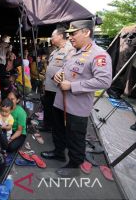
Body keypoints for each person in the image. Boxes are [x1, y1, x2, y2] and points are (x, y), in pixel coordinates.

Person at [42, 20, 112, 177]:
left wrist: (73, 86)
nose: (70, 37)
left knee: (75, 138)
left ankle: (74, 166)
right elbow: (66, 68)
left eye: (73, 33)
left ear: (86, 32)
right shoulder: (73, 51)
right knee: (58, 130)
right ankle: (58, 152)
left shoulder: (99, 54)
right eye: (69, 34)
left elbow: (104, 81)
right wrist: (59, 73)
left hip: (77, 107)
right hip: (60, 101)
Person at [39, 28, 74, 132]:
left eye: (53, 36)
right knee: (48, 107)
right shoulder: (55, 51)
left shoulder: (70, 49)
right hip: (50, 86)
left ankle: (55, 130)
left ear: (60, 36)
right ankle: (47, 126)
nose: (51, 38)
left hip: (58, 88)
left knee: (56, 111)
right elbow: (50, 68)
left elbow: (69, 69)